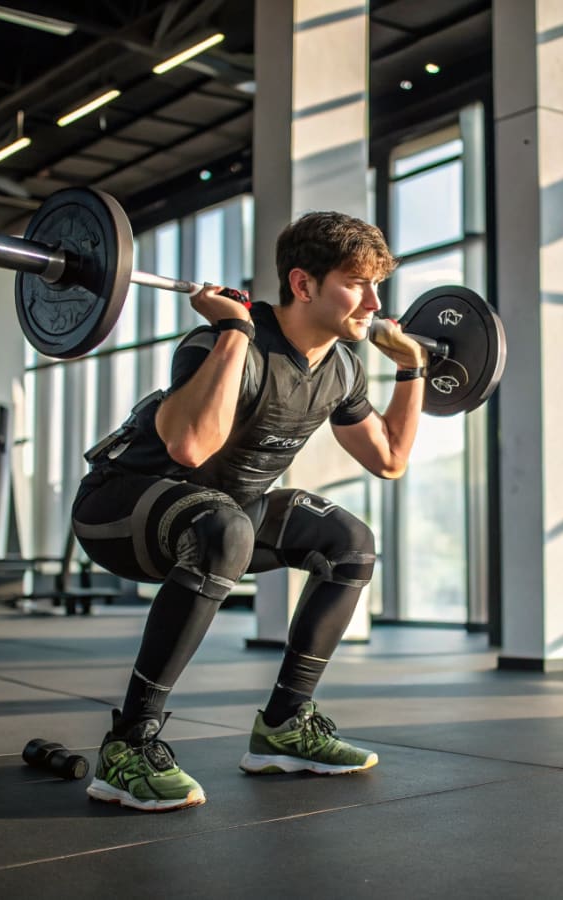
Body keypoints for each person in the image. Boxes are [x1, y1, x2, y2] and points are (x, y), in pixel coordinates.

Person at [71, 211, 429, 811]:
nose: (373, 301)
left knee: (350, 543)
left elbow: (390, 458)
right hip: (122, 509)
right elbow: (190, 447)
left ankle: (285, 726)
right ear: (303, 284)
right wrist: (235, 329)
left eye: (377, 286)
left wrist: (411, 367)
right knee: (224, 526)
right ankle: (128, 745)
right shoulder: (220, 341)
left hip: (225, 515)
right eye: (356, 283)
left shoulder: (340, 368)